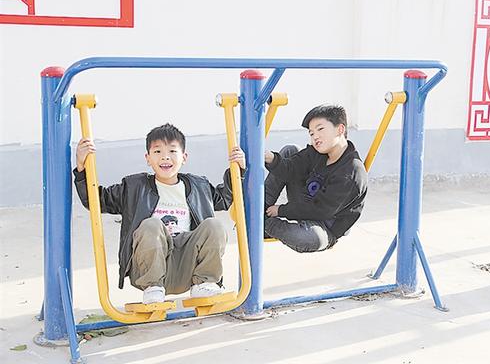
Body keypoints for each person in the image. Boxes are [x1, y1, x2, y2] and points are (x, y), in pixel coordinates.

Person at [73, 123, 245, 304]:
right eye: (157, 151)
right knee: (152, 224)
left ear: (184, 157)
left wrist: (238, 169)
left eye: (172, 151)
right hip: (149, 267)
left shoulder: (198, 186)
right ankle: (153, 287)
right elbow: (97, 200)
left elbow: (224, 198)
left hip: (187, 265)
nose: (165, 157)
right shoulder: (133, 187)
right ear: (147, 158)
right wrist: (81, 168)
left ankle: (205, 283)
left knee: (214, 225)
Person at [263, 104, 368, 253]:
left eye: (320, 129)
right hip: (304, 203)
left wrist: (281, 210)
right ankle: (260, 207)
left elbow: (320, 210)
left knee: (313, 238)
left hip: (324, 226)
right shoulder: (317, 152)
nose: (315, 137)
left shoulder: (351, 172)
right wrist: (270, 158)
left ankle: (265, 225)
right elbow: (290, 168)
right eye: (311, 133)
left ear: (340, 129)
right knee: (290, 151)